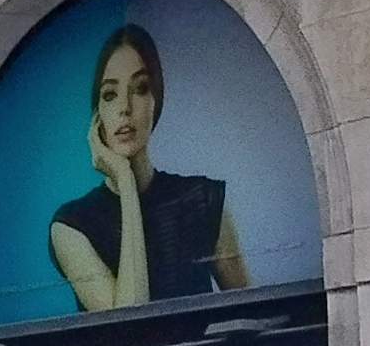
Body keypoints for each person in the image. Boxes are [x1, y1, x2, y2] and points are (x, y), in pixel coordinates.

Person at [47, 25, 251, 314]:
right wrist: (126, 184)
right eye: (109, 95)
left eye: (140, 89)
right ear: (98, 115)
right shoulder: (70, 226)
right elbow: (128, 326)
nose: (124, 108)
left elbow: (253, 316)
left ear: (157, 100)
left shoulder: (204, 200)